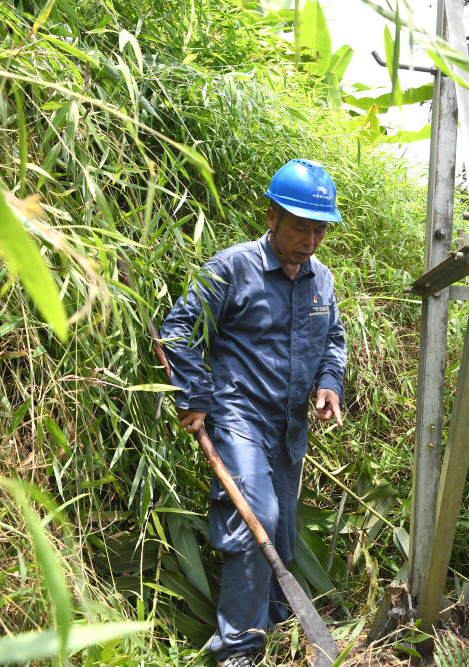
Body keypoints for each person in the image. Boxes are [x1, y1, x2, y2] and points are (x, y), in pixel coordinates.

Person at [161, 159, 347, 667]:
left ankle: (273, 625)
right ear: (272, 217)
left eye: (320, 229)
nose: (310, 240)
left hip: (290, 426)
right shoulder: (231, 268)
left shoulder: (321, 280)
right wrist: (194, 396)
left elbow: (333, 338)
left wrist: (329, 384)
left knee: (281, 529)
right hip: (238, 416)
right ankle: (237, 650)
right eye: (300, 227)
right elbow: (179, 329)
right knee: (255, 519)